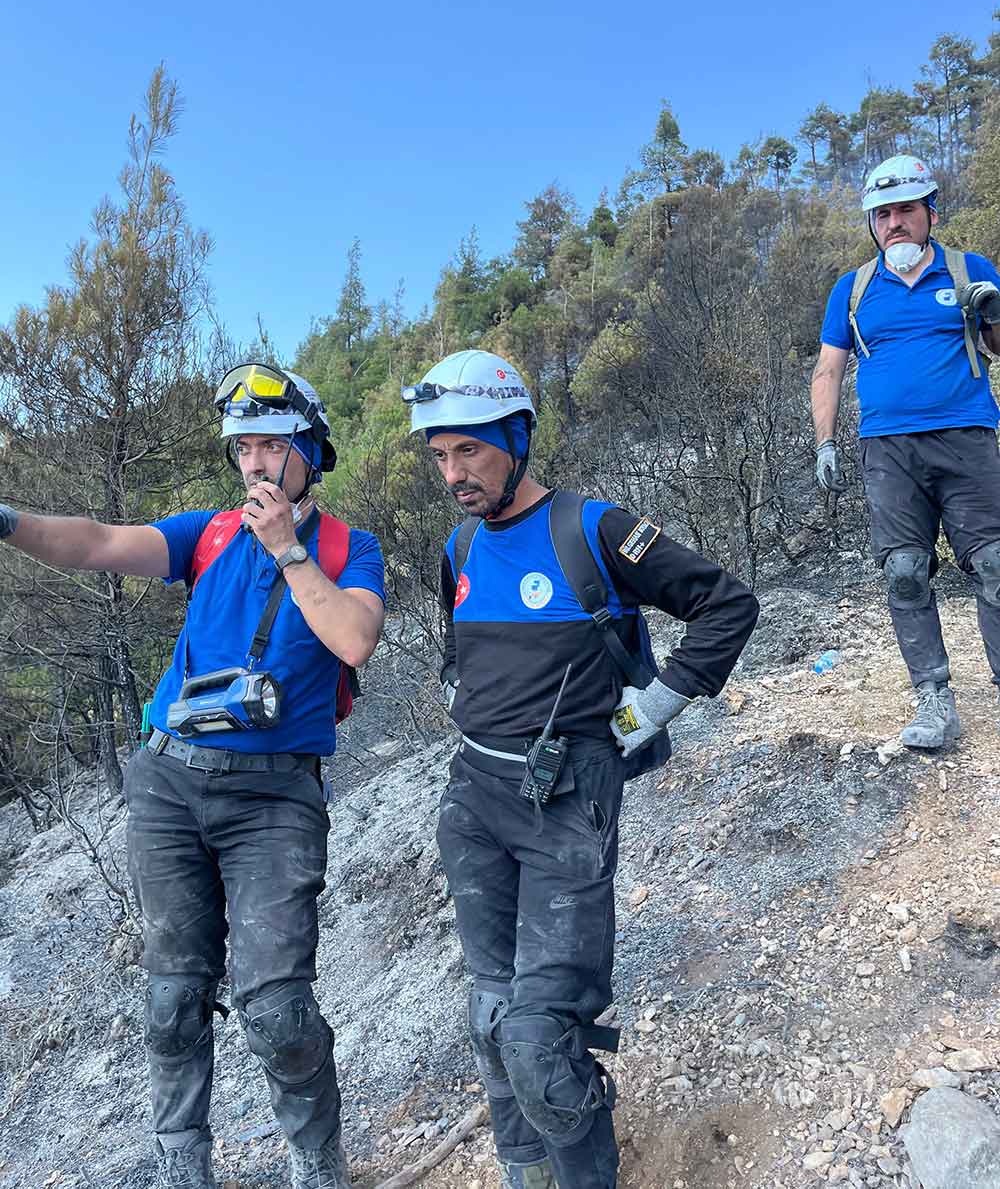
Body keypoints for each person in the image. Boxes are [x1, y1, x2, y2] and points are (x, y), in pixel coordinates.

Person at [0, 364, 385, 1189]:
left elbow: (354, 638)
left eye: (270, 445)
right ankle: (184, 1169)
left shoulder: (349, 548)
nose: (254, 463)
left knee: (279, 1011)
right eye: (242, 447)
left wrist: (287, 549)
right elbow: (97, 543)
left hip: (275, 797)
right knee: (172, 1000)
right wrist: (8, 522)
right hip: (169, 783)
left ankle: (318, 1166)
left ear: (309, 452)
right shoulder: (207, 534)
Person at [402, 349, 758, 1189]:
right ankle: (526, 1169)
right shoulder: (459, 545)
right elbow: (458, 649)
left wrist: (657, 703)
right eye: (441, 455)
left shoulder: (591, 530)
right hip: (473, 799)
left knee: (539, 1036)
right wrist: (465, 699)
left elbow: (727, 603)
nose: (454, 474)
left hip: (566, 801)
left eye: (470, 450)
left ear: (517, 438)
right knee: (492, 1012)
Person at [812, 153, 1000, 749]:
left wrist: (991, 313)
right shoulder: (853, 289)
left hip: (967, 438)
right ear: (872, 223)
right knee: (905, 573)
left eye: (906, 210)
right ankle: (934, 700)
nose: (894, 223)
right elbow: (828, 370)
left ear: (930, 213)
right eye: (883, 214)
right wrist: (824, 442)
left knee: (996, 564)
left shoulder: (970, 269)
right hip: (888, 451)